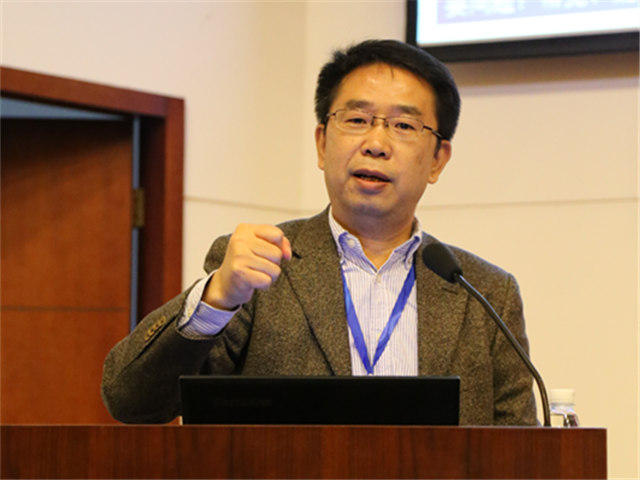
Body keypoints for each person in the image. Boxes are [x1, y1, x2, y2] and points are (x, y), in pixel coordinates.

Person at [101, 39, 537, 425]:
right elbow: (132, 402)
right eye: (357, 119)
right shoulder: (260, 267)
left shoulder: (485, 293)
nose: (376, 143)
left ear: (438, 159)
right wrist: (217, 297)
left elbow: (522, 454)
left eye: (404, 126)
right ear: (322, 143)